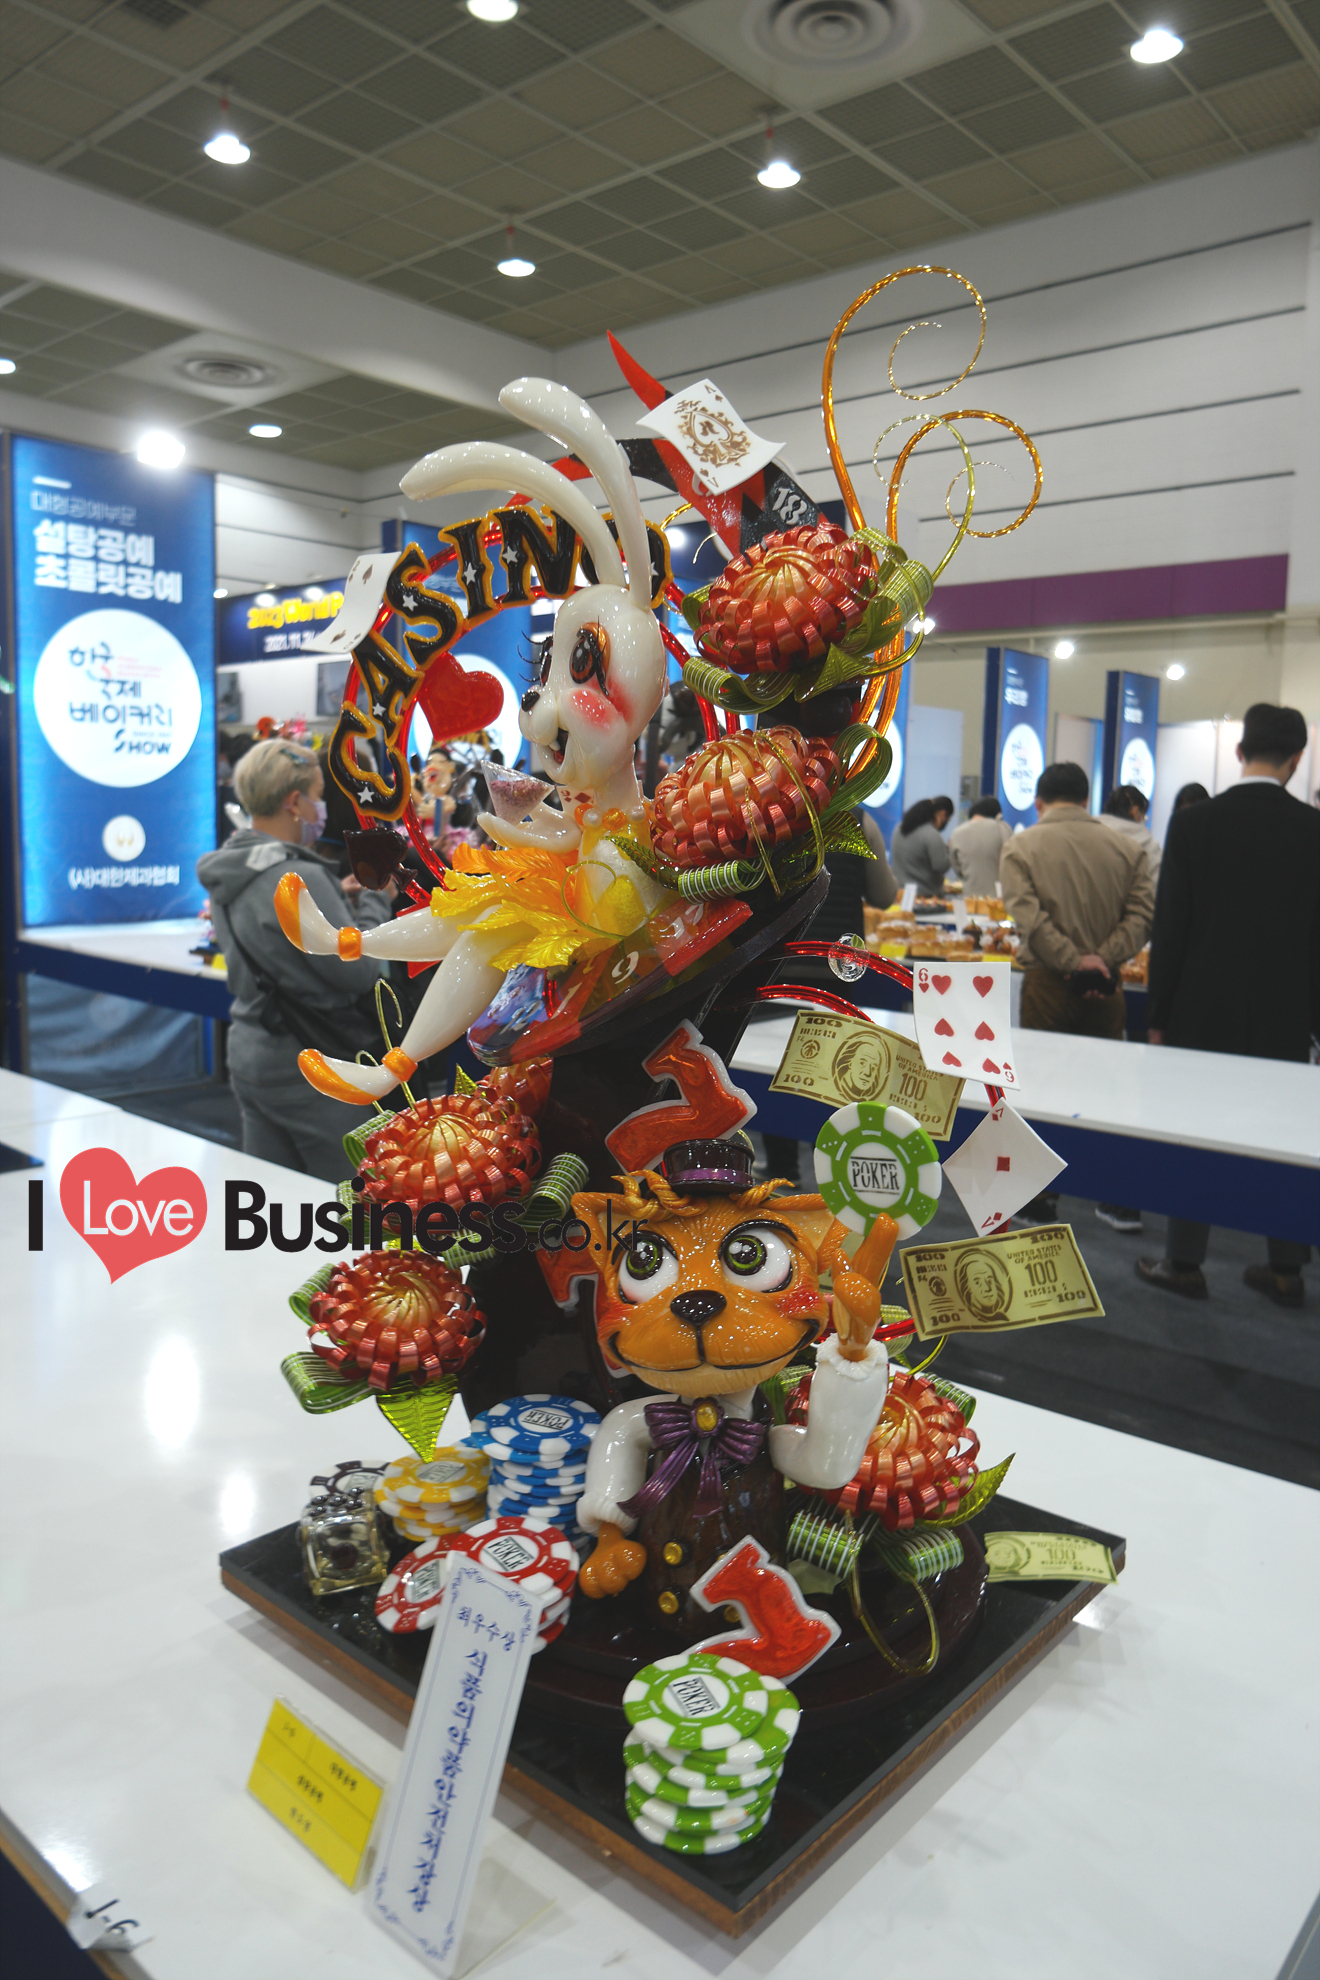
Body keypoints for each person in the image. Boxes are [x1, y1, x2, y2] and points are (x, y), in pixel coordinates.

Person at [1138, 703, 1318, 1308]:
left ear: (1239, 752)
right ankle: (1286, 1268)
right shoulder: (1314, 830)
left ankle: (1184, 1261)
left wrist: (1158, 1016)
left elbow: (1172, 929)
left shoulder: (1194, 824)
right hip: (1287, 1014)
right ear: (1297, 760)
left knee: (1195, 1136)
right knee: (1286, 1137)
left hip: (1200, 1009)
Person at [197, 740, 396, 1183]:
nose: (320, 807)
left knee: (271, 1195)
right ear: (294, 802)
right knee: (348, 1198)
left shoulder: (230, 867)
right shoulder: (300, 877)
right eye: (318, 795)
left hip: (251, 1051)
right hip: (311, 1061)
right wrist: (375, 901)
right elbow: (358, 972)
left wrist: (335, 901)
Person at [1001, 760, 1155, 1227]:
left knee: (1041, 1090)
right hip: (1107, 985)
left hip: (1047, 982)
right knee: (1109, 1091)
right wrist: (1101, 960)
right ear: (1087, 800)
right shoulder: (1128, 849)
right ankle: (1115, 1195)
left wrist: (1072, 961)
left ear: (1038, 801)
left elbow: (1029, 918)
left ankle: (1040, 1197)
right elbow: (1142, 916)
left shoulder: (1021, 847)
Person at [890, 795, 954, 895]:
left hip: (900, 893)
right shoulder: (931, 834)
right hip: (925, 895)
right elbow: (941, 866)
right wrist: (949, 849)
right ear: (942, 814)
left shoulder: (899, 829)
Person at [1101, 783, 1162, 886]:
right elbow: (1154, 885)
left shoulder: (1092, 833)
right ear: (1135, 811)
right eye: (1144, 816)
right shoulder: (1149, 845)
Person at [948, 795, 1011, 895]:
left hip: (969, 895)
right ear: (997, 814)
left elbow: (956, 866)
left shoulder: (956, 833)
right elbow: (1011, 861)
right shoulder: (1002, 827)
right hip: (997, 896)